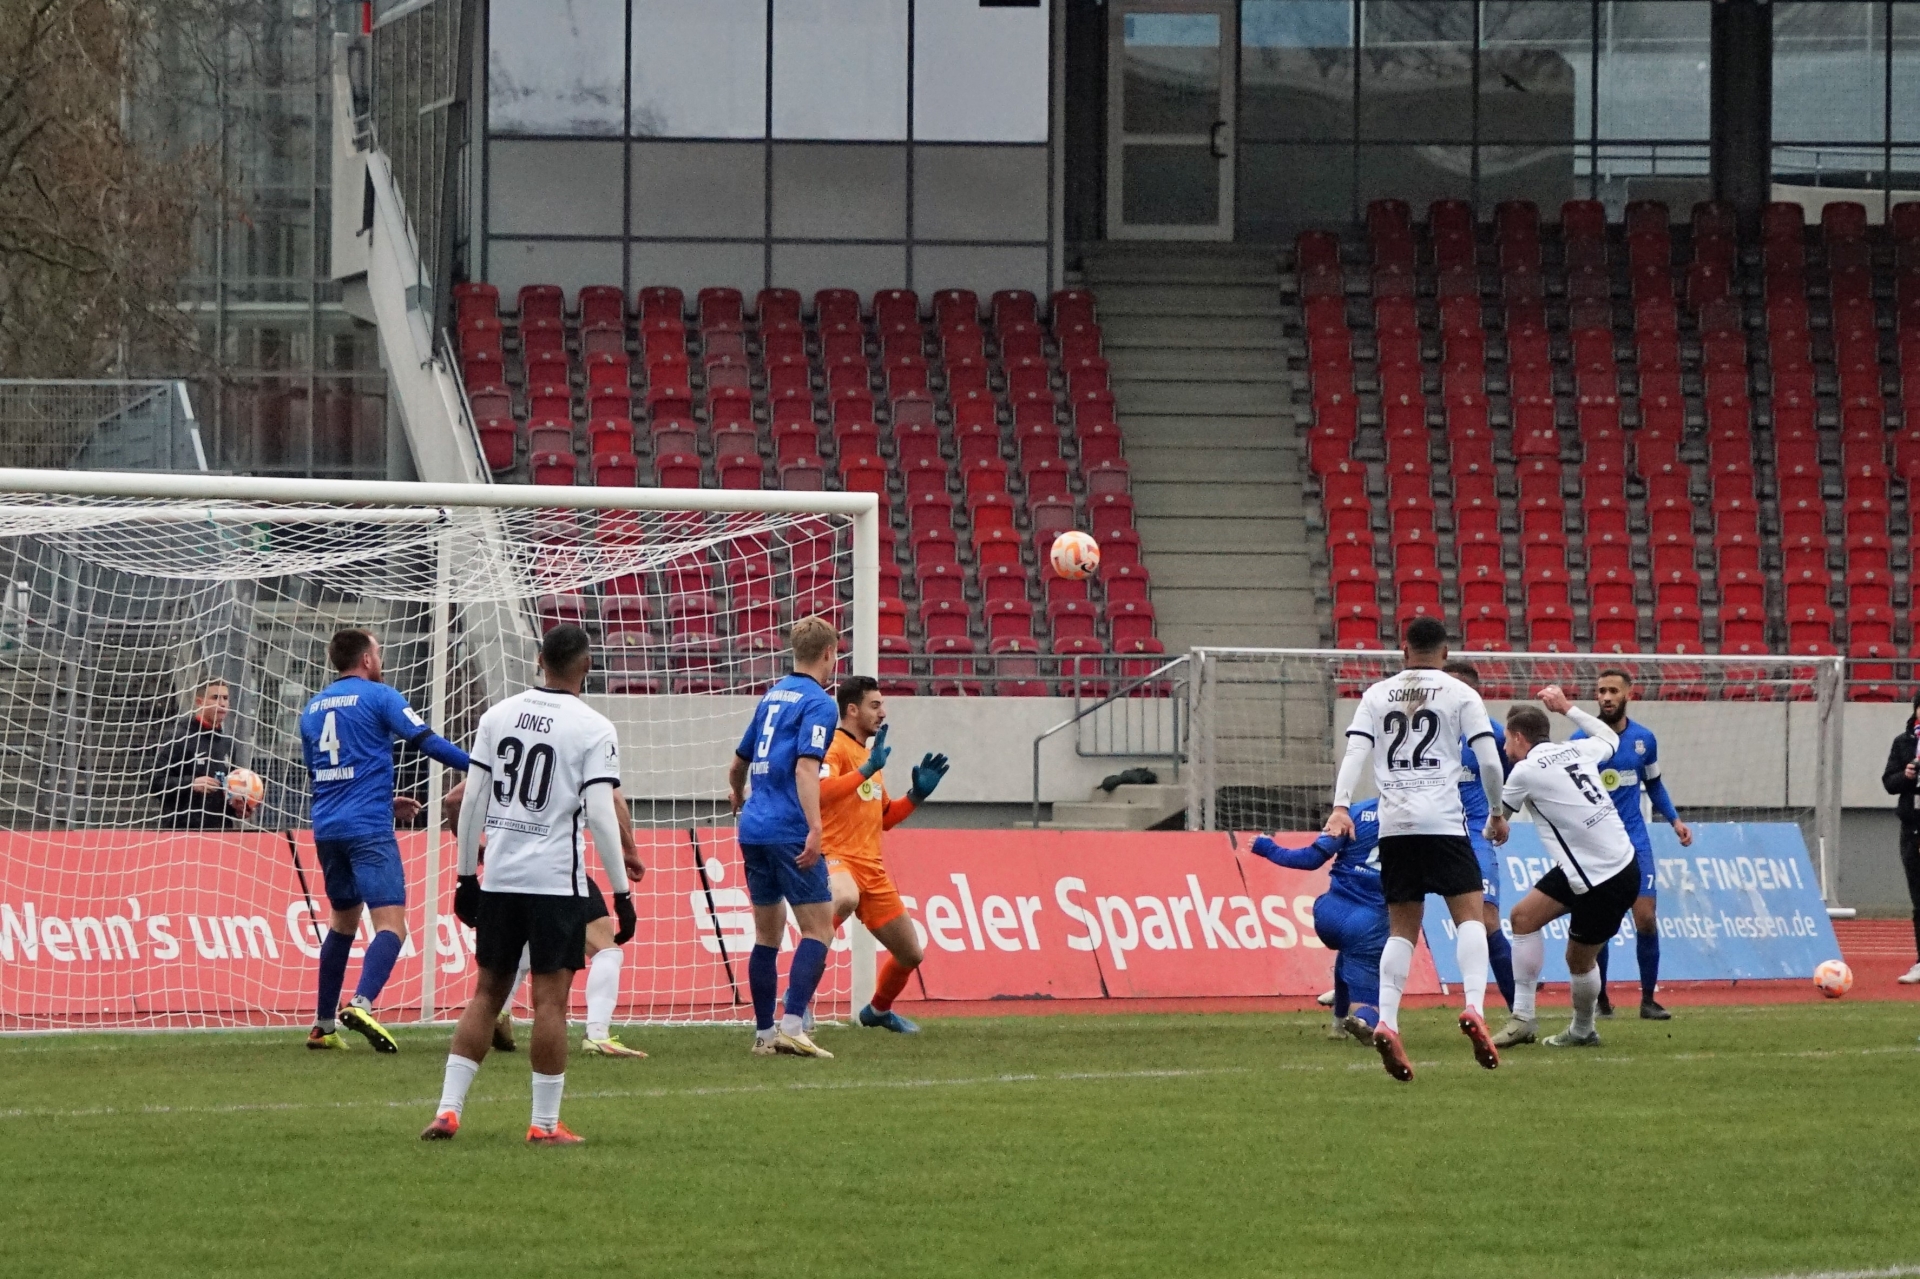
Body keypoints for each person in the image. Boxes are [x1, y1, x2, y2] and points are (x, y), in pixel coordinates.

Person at [423, 624, 636, 1144]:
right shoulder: (594, 727)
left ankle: (448, 1110)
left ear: (539, 660)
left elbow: (471, 799)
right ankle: (543, 1124)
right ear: (587, 665)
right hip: (554, 882)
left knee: (486, 994)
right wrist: (621, 893)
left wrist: (465, 876)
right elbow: (601, 814)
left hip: (500, 876)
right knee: (550, 1002)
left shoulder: (498, 715)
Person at [1328, 616, 1508, 1082]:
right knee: (1471, 918)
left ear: (1404, 651)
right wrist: (1496, 812)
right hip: (1444, 823)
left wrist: (1341, 807)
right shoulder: (1461, 693)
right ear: (1445, 654)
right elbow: (1489, 760)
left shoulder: (1376, 694)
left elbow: (1355, 754)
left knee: (1401, 931)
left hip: (1395, 827)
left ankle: (1387, 1019)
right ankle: (1473, 1007)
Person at [299, 629, 469, 1053]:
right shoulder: (380, 696)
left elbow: (322, 775)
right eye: (378, 653)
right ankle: (361, 1003)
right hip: (368, 831)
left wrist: (385, 800)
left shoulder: (312, 708)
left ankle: (322, 1026)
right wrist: (481, 764)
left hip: (328, 829)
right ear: (366, 660)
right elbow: (428, 742)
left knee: (342, 923)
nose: (381, 660)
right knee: (392, 925)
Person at [442, 780, 649, 1056]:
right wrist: (630, 851)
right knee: (605, 951)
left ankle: (500, 1012)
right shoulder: (574, 755)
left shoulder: (502, 755)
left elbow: (455, 799)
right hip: (555, 871)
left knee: (512, 956)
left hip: (503, 875)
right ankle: (598, 1035)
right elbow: (610, 799)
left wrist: (471, 846)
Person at [1490, 690, 1644, 1049]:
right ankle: (1523, 1019)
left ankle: (1583, 1030)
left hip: (1604, 877)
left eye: (1507, 739)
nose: (1505, 747)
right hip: (1605, 863)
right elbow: (1609, 736)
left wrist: (1495, 825)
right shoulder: (1577, 749)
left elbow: (1495, 826)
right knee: (1523, 918)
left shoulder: (1524, 771)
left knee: (1578, 959)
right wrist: (1567, 708)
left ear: (1518, 737)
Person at [728, 615, 841, 1059]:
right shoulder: (820, 703)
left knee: (766, 935)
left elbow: (737, 764)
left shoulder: (771, 696)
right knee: (819, 928)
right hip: (789, 827)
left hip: (754, 826)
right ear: (829, 653)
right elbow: (805, 768)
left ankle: (764, 1035)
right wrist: (815, 827)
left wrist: (737, 794)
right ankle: (793, 1026)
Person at [821, 675, 949, 1034]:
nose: (883, 713)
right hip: (835, 857)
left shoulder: (870, 756)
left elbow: (885, 818)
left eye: (882, 705)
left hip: (871, 869)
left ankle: (878, 1011)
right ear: (852, 710)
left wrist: (916, 796)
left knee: (911, 953)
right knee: (844, 897)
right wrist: (866, 770)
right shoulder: (834, 747)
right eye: (874, 705)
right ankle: (797, 1001)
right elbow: (821, 793)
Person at [1569, 669, 1693, 1020]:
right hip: (1597, 845)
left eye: (1613, 691)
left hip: (1635, 841)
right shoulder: (1580, 740)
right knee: (1600, 925)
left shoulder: (1644, 739)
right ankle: (1601, 999)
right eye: (1601, 691)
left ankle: (1648, 1000)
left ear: (1628, 695)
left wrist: (1675, 820)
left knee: (1647, 919)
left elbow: (1653, 784)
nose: (1606, 697)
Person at [1251, 798, 1385, 1045]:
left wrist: (1268, 848)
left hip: (1329, 913)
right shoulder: (1424, 821)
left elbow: (1310, 859)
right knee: (1373, 989)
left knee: (1348, 954)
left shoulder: (1355, 812)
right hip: (1370, 919)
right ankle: (1365, 1020)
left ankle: (1337, 1024)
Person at [1441, 661, 1516, 1014]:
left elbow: (1517, 778)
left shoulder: (1495, 735)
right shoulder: (1425, 729)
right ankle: (1357, 1000)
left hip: (1474, 832)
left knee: (1486, 921)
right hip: (1428, 832)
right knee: (1386, 916)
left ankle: (1519, 1013)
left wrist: (1501, 814)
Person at [150, 679, 249, 830]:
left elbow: (225, 790)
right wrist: (191, 783)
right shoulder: (179, 737)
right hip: (183, 831)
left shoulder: (227, 743)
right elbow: (156, 783)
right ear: (199, 702)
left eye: (225, 698)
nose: (222, 703)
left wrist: (236, 808)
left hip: (220, 833)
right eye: (215, 698)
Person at [1878, 691, 1920, 985]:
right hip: (1913, 828)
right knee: (1919, 898)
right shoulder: (1903, 743)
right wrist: (1905, 776)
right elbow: (1889, 783)